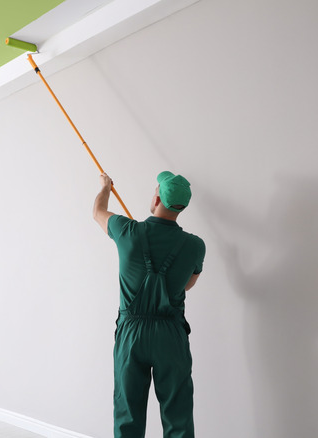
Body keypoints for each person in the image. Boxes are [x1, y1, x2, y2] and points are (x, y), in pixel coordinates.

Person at [93, 171, 206, 438]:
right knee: (177, 414)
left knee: (127, 414)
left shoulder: (127, 231)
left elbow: (98, 211)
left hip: (132, 334)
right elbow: (187, 285)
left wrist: (105, 187)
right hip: (171, 335)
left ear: (156, 198)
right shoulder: (195, 246)